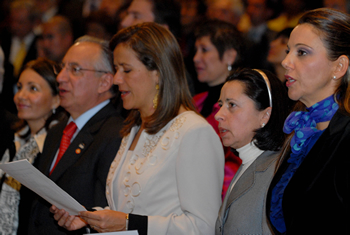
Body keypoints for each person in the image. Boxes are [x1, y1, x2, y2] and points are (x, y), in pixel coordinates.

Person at [51, 22, 224, 235]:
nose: (116, 79)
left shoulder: (194, 131)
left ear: (158, 72)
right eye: (116, 69)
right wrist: (90, 218)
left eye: (127, 70)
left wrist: (128, 223)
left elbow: (204, 227)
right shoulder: (134, 128)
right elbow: (127, 208)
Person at [25, 36, 124, 234]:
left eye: (75, 69)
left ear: (104, 82)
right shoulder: (56, 131)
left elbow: (109, 215)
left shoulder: (116, 134)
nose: (60, 77)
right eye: (62, 68)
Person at [266, 8, 350, 234]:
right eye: (288, 51)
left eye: (302, 52)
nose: (285, 62)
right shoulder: (302, 127)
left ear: (339, 67)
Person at [214, 68, 289, 234]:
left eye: (231, 105)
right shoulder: (247, 164)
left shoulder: (276, 174)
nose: (218, 115)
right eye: (220, 105)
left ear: (265, 115)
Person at [0, 58, 64, 235]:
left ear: (56, 100)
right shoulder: (15, 138)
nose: (21, 95)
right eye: (20, 87)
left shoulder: (56, 146)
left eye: (33, 88)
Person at [193, 19, 244, 198]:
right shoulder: (195, 101)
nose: (196, 58)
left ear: (229, 56)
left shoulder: (241, 105)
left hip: (224, 194)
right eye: (196, 50)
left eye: (204, 50)